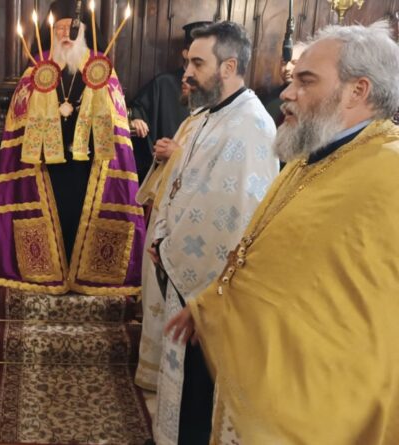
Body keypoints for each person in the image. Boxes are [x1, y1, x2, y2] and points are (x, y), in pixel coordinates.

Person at [167, 21, 399, 444]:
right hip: (267, 367)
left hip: (327, 396)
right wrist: (212, 305)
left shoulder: (389, 170)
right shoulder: (311, 156)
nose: (287, 93)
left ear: (357, 91)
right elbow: (265, 250)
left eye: (305, 81)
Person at [149, 21, 279, 445]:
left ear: (229, 66)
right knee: (184, 380)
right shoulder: (208, 117)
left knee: (200, 391)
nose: (187, 72)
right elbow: (180, 184)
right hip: (181, 267)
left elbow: (235, 215)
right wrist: (161, 234)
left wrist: (170, 247)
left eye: (198, 63)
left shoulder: (251, 126)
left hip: (210, 285)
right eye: (188, 62)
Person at [0, 0, 145, 296]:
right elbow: (20, 118)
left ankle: (86, 277)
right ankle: (50, 274)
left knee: (81, 219)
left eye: (72, 28)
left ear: (84, 32)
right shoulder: (36, 68)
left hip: (89, 166)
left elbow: (115, 118)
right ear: (51, 32)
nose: (66, 34)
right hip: (47, 167)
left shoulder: (101, 67)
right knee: (55, 218)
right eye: (59, 28)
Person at [133, 77, 208, 391]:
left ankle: (162, 375)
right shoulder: (193, 120)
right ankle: (153, 371)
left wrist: (176, 154)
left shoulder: (222, 123)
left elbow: (209, 175)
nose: (184, 79)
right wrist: (165, 154)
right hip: (165, 220)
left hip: (186, 232)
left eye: (195, 68)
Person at [128, 21, 211, 180]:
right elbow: (139, 110)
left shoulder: (216, 91)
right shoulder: (164, 83)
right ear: (186, 53)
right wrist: (137, 119)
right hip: (164, 172)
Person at [260, 41, 307, 125]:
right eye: (284, 63)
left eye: (294, 63)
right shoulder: (269, 96)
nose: (287, 68)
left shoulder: (309, 100)